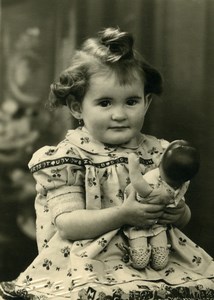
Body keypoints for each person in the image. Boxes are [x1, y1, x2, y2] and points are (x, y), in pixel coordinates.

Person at [0, 27, 213, 300]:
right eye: (105, 103)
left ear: (146, 103)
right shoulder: (68, 157)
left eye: (131, 102)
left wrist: (178, 212)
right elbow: (67, 224)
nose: (120, 114)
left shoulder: (158, 152)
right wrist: (122, 215)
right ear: (77, 107)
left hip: (156, 265)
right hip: (90, 265)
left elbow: (178, 217)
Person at [124, 140, 200, 271]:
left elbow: (138, 183)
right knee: (159, 257)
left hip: (140, 223)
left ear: (158, 162)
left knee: (140, 257)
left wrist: (133, 168)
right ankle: (156, 256)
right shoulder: (183, 184)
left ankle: (142, 257)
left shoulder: (153, 183)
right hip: (158, 224)